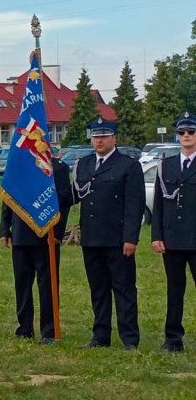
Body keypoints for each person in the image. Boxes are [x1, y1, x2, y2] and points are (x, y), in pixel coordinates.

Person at [73, 117, 145, 350]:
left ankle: (129, 338)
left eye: (104, 136)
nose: (99, 140)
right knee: (98, 289)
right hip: (91, 238)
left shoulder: (128, 165)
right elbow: (75, 195)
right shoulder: (83, 164)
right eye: (95, 136)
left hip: (117, 239)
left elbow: (135, 204)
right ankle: (100, 335)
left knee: (123, 289)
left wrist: (130, 238)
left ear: (114, 138)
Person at [0, 157, 73, 344]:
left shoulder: (58, 168)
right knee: (22, 285)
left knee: (47, 285)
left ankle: (49, 330)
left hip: (47, 235)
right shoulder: (20, 163)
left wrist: (58, 231)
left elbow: (63, 201)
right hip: (20, 234)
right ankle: (24, 328)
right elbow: (9, 195)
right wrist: (5, 228)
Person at [151, 111, 196, 352]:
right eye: (182, 132)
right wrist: (156, 235)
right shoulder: (165, 165)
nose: (186, 135)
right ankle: (173, 338)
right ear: (176, 136)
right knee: (174, 290)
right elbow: (158, 204)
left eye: (191, 132)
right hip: (172, 239)